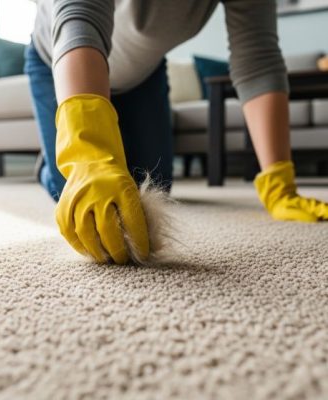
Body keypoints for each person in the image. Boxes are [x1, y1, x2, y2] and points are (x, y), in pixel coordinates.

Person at [25, 0, 328, 264]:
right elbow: (80, 14)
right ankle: (50, 166)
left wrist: (279, 183)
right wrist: (87, 156)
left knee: (158, 186)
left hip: (141, 73)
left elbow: (258, 61)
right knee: (76, 192)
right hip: (59, 54)